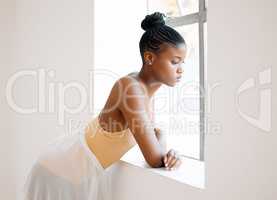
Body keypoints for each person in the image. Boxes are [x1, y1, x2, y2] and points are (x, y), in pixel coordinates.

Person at [23, 12, 187, 200]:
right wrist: (164, 145)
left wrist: (167, 150)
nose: (181, 69)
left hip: (82, 172)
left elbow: (154, 144)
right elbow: (154, 157)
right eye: (174, 62)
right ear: (149, 58)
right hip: (60, 170)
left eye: (183, 62)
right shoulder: (130, 88)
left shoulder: (146, 89)